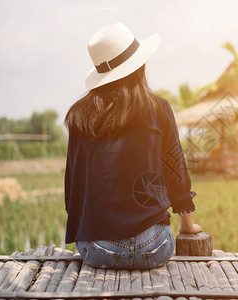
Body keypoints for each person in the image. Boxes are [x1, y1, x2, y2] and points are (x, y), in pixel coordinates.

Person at [64, 23, 203, 270]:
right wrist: (187, 225)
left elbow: (73, 185)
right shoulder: (159, 108)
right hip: (155, 248)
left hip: (98, 251)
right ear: (140, 66)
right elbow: (175, 169)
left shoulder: (79, 115)